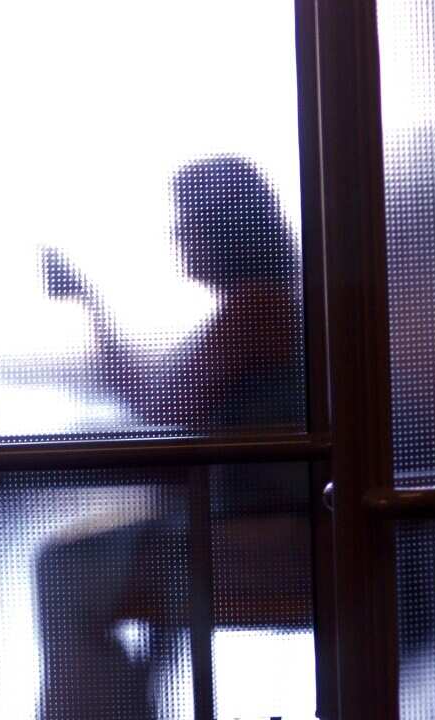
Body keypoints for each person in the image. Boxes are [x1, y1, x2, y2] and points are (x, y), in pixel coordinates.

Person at [36, 156, 308, 719]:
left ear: (225, 227)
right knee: (84, 561)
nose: (177, 233)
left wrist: (91, 305)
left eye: (187, 218)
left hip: (260, 545)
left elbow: (163, 414)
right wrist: (91, 305)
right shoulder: (264, 304)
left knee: (62, 569)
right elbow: (160, 403)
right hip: (258, 534)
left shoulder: (256, 312)